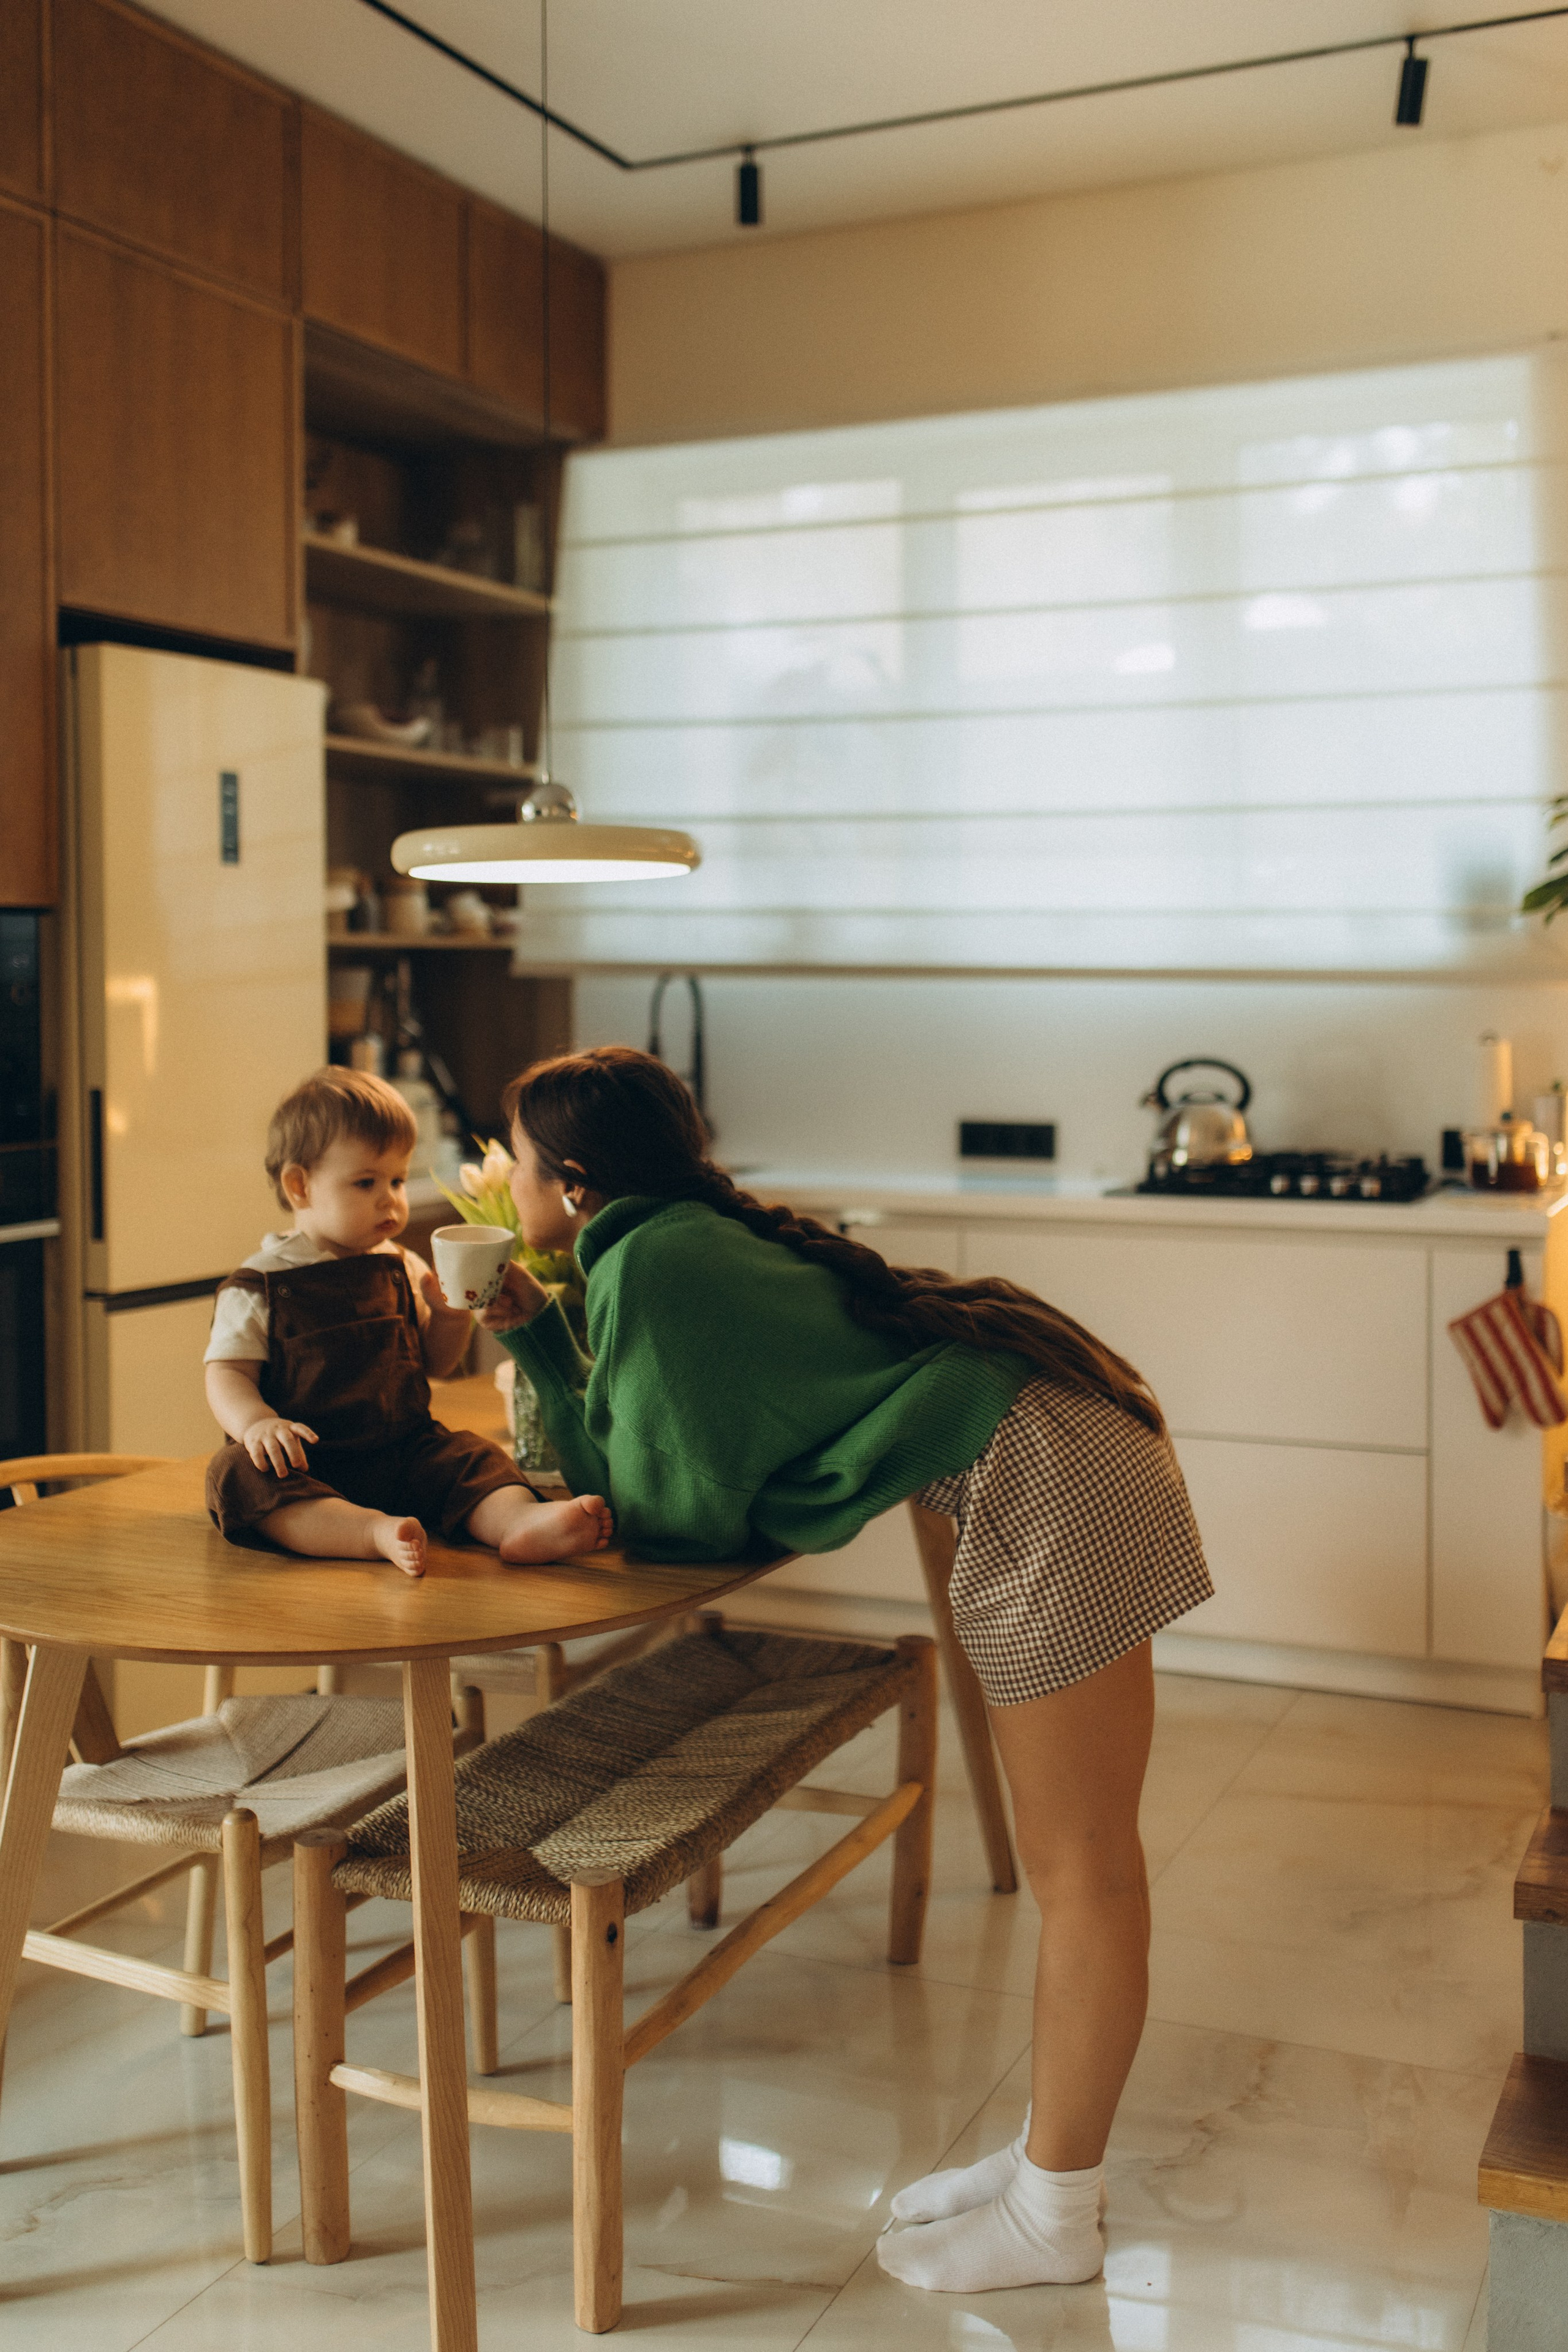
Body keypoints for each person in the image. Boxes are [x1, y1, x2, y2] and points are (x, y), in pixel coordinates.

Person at [478, 1045, 1212, 2296]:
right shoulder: (679, 1235)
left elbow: (674, 1512)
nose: (513, 1188)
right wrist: (549, 1330)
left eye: (524, 1167)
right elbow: (687, 1450)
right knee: (1079, 1867)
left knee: (1083, 1873)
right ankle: (1046, 2167)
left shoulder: (646, 1262)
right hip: (1053, 1445)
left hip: (1043, 1473)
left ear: (577, 1181)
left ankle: (1058, 2213)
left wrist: (543, 1347)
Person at [203, 1067, 612, 1577]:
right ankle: (367, 1532)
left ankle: (519, 1522)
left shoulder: (401, 1265)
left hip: (402, 1450)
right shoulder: (260, 1283)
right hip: (307, 1463)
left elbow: (437, 1364)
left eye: (397, 1180)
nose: (391, 1198)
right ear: (299, 1185)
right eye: (366, 1182)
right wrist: (257, 1424)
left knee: (471, 1457)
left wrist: (446, 1316)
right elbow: (227, 1374)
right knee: (241, 1476)